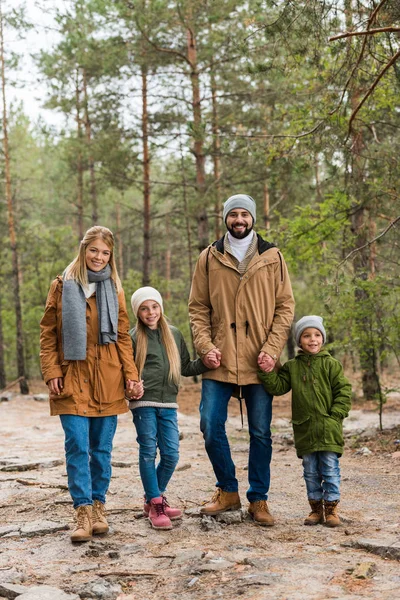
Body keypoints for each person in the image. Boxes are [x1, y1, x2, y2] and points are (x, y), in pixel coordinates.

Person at [188, 194, 295, 525]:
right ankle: (228, 490)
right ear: (225, 219)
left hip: (259, 358)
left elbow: (285, 306)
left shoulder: (272, 256)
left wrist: (272, 348)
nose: (238, 220)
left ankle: (259, 499)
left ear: (252, 219)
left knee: (261, 432)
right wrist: (205, 346)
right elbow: (198, 307)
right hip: (218, 359)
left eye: (243, 214)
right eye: (232, 214)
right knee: (209, 423)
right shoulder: (209, 257)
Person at [40, 226, 142, 543]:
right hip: (71, 377)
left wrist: (132, 375)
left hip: (107, 379)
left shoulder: (114, 288)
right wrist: (51, 370)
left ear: (111, 256)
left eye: (105, 252)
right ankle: (82, 510)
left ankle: (99, 506)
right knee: (77, 446)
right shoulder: (61, 286)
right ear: (83, 250)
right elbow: (47, 335)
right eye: (93, 250)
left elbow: (123, 337)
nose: (99, 257)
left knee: (101, 450)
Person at [127, 286, 210, 530]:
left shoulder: (173, 334)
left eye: (154, 306)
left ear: (161, 307)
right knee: (148, 451)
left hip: (169, 404)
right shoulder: (133, 338)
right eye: (144, 308)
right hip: (144, 403)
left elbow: (186, 367)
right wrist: (129, 389)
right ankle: (156, 503)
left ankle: (153, 498)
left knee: (172, 454)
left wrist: (206, 362)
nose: (150, 312)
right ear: (138, 312)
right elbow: (126, 373)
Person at [258, 316, 352, 527]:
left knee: (329, 469)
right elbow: (279, 387)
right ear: (299, 341)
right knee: (310, 471)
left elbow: (343, 391)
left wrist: (336, 415)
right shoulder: (293, 367)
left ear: (323, 339)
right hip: (305, 429)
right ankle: (315, 510)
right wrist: (267, 371)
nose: (313, 339)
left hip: (329, 428)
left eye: (317, 335)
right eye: (307, 335)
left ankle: (332, 510)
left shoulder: (331, 364)